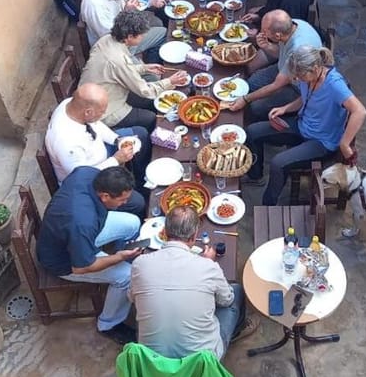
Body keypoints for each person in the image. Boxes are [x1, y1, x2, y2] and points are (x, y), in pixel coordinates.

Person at [245, 45, 366, 206]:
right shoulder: (308, 76)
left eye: (300, 76)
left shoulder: (334, 84)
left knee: (278, 163)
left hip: (321, 142)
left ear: (316, 69)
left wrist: (345, 143)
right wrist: (285, 109)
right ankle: (255, 176)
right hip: (302, 124)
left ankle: (268, 206)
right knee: (252, 132)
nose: (297, 79)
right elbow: (306, 97)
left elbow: (360, 111)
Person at [130, 207, 257, 358]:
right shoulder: (208, 267)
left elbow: (131, 297)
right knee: (236, 291)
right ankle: (237, 331)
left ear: (165, 232)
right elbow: (226, 300)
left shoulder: (140, 264)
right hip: (201, 363)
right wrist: (208, 266)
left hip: (152, 361)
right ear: (193, 236)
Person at [36, 166, 144, 344]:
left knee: (132, 223)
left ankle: (121, 257)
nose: (125, 203)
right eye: (122, 200)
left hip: (78, 234)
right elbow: (82, 267)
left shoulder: (86, 172)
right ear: (105, 196)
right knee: (127, 276)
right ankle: (109, 325)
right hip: (64, 261)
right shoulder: (82, 223)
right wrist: (119, 258)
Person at [80, 10, 188, 131]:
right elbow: (145, 91)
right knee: (152, 117)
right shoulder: (117, 60)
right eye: (141, 35)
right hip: (106, 110)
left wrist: (144, 68)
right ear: (130, 37)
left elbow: (117, 72)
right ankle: (147, 143)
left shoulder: (106, 40)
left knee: (153, 102)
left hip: (101, 93)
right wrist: (170, 81)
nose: (143, 37)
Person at [45, 82, 151, 199]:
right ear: (88, 112)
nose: (104, 114)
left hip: (100, 151)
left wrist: (117, 140)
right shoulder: (66, 143)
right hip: (91, 180)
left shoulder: (71, 105)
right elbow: (83, 176)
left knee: (140, 134)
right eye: (101, 112)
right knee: (137, 201)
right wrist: (116, 160)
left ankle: (141, 178)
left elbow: (95, 124)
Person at [228, 10, 321, 121]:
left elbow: (276, 85)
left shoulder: (297, 50)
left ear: (277, 36)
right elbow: (281, 53)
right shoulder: (293, 24)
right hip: (283, 69)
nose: (261, 34)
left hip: (299, 87)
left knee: (255, 107)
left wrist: (245, 99)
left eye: (264, 32)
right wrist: (267, 46)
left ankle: (262, 123)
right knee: (250, 84)